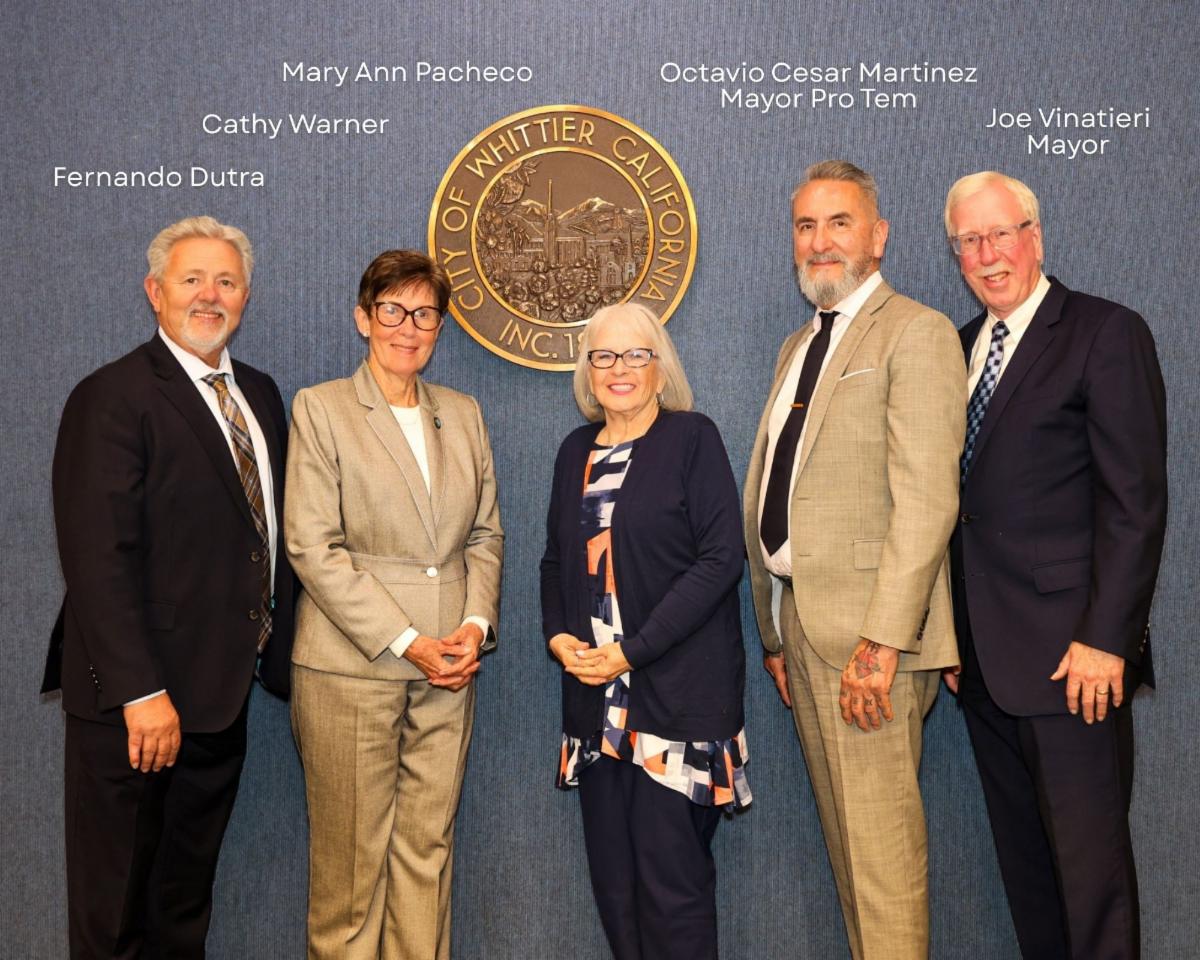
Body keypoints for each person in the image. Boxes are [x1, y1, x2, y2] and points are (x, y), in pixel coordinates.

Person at [45, 215, 294, 958]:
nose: (209, 295)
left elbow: (263, 537)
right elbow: (97, 558)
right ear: (155, 292)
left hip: (219, 699)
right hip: (136, 709)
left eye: (226, 281)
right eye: (192, 280)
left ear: (245, 296)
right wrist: (141, 693)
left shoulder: (260, 394)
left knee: (182, 909)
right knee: (116, 917)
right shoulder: (112, 395)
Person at [744, 160, 965, 960]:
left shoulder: (917, 332)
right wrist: (776, 633)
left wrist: (882, 642)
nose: (820, 241)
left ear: (878, 236)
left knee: (881, 864)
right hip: (804, 632)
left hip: (871, 646)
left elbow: (928, 501)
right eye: (805, 225)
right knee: (849, 854)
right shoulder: (799, 345)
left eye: (839, 223)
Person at [943, 171, 1167, 959]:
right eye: (969, 241)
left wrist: (1108, 639)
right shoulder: (959, 348)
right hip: (983, 664)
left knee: (1090, 883)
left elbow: (1135, 503)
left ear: (1034, 237)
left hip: (1077, 665)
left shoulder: (1105, 332)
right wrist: (950, 635)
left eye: (1000, 234)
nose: (987, 254)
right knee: (1030, 878)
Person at [285, 249, 503, 960]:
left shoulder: (463, 415)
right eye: (393, 310)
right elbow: (312, 546)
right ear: (363, 318)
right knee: (350, 877)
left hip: (451, 673)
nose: (409, 327)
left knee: (426, 860)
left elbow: (484, 535)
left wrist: (474, 627)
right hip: (351, 670)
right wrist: (408, 640)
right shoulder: (321, 408)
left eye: (425, 314)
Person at [540, 302, 749, 960]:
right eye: (603, 356)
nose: (619, 368)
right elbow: (555, 563)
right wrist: (557, 637)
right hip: (597, 706)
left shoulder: (692, 439)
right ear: (587, 371)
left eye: (636, 354)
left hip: (677, 702)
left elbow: (722, 559)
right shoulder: (574, 451)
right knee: (617, 891)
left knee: (672, 892)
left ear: (661, 369)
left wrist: (632, 652)